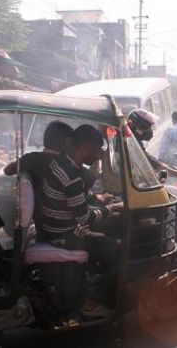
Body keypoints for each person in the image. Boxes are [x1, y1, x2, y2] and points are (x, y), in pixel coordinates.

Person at [39, 125, 123, 316]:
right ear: (86, 147)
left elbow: (77, 195)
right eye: (97, 151)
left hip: (57, 227)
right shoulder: (72, 176)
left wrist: (99, 199)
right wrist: (112, 208)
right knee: (117, 248)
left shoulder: (62, 163)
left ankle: (92, 280)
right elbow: (84, 218)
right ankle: (94, 300)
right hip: (65, 234)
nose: (98, 157)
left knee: (109, 225)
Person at [128, 109, 177, 180]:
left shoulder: (134, 142)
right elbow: (156, 164)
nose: (150, 131)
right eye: (146, 128)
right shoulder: (131, 144)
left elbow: (157, 160)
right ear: (135, 128)